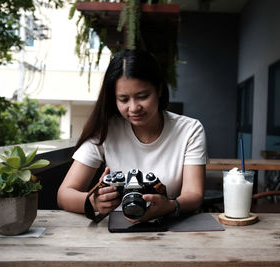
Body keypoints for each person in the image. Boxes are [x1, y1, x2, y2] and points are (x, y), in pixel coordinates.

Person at [57, 50, 208, 223]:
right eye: (123, 99)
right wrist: (93, 202)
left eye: (142, 96)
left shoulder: (189, 130)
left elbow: (194, 194)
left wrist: (170, 206)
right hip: (114, 232)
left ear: (159, 89)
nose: (134, 108)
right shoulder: (106, 130)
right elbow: (64, 194)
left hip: (166, 229)